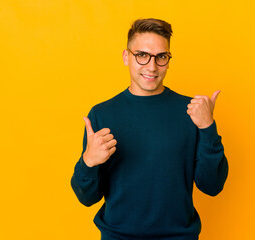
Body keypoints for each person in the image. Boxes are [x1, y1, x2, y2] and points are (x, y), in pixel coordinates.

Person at [71, 18, 229, 240]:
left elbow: (212, 186)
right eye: (142, 55)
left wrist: (207, 127)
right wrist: (88, 162)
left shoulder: (192, 113)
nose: (152, 67)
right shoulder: (102, 115)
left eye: (161, 57)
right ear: (126, 57)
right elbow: (87, 197)